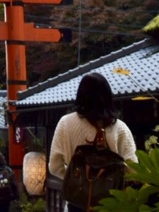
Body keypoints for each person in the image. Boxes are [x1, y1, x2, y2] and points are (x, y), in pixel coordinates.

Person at [49, 72, 138, 212]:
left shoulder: (65, 124)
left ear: (80, 95)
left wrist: (77, 176)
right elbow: (133, 170)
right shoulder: (120, 128)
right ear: (108, 96)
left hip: (76, 204)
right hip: (111, 204)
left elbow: (54, 166)